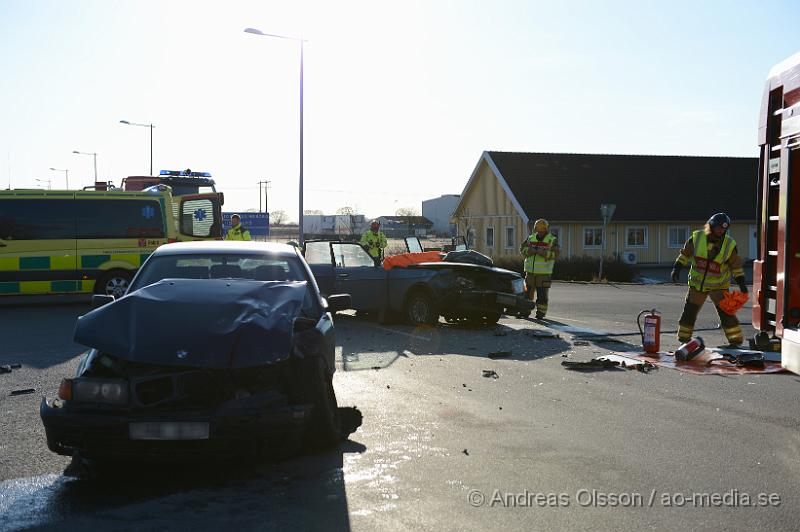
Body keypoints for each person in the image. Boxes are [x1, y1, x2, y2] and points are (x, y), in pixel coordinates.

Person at [671, 212, 747, 347]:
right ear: (711, 225)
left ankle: (735, 341)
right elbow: (685, 254)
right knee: (689, 311)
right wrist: (677, 268)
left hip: (719, 287)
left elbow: (735, 265)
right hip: (697, 285)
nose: (721, 231)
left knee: (726, 313)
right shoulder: (697, 238)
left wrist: (741, 283)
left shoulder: (729, 244)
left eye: (724, 229)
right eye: (719, 227)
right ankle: (684, 339)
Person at [520, 218, 559, 319]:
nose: (540, 233)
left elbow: (556, 254)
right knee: (527, 294)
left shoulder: (551, 240)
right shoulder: (530, 238)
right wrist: (529, 251)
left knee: (542, 296)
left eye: (542, 231)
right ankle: (525, 311)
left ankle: (541, 313)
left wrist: (544, 253)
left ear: (546, 230)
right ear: (535, 230)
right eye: (538, 230)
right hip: (530, 273)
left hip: (544, 274)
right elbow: (522, 249)